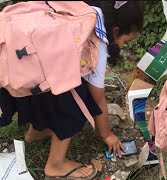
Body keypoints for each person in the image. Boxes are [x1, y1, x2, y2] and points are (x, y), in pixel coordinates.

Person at [0, 1, 143, 179]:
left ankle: (36, 131)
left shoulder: (80, 8)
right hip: (36, 79)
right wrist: (106, 134)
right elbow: (97, 97)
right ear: (115, 31)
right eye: (126, 41)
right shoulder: (96, 39)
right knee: (79, 100)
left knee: (55, 82)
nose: (123, 46)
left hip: (17, 67)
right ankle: (56, 164)